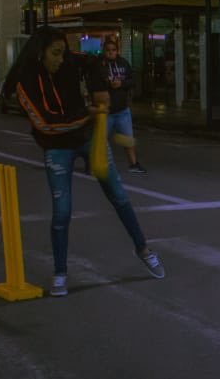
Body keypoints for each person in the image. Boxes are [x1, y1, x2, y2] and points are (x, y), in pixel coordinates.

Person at [13, 26, 165, 296]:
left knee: (118, 195)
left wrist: (98, 89)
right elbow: (46, 124)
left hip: (88, 138)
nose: (62, 59)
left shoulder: (70, 61)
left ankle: (143, 249)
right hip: (57, 146)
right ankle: (60, 273)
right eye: (56, 54)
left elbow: (96, 62)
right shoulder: (25, 82)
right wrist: (87, 114)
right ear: (40, 54)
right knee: (62, 211)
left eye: (63, 53)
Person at [102, 37, 145, 173]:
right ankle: (96, 163)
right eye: (108, 50)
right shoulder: (100, 65)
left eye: (113, 50)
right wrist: (108, 84)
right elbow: (93, 83)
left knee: (128, 138)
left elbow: (132, 80)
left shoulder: (123, 63)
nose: (111, 53)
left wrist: (121, 83)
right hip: (106, 110)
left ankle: (133, 164)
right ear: (104, 51)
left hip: (122, 109)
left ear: (117, 51)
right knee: (100, 139)